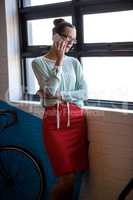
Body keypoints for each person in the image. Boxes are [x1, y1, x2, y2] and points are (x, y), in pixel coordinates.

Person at [32, 18, 89, 200]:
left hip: (76, 121)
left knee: (73, 179)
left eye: (73, 40)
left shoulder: (75, 63)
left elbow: (84, 92)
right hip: (54, 123)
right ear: (54, 36)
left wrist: (61, 96)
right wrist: (60, 60)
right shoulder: (38, 63)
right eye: (67, 38)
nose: (70, 43)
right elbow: (49, 91)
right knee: (66, 179)